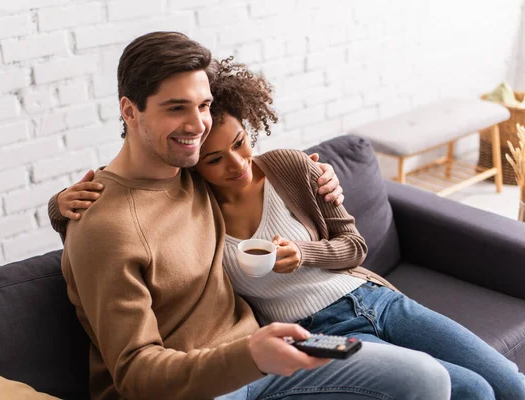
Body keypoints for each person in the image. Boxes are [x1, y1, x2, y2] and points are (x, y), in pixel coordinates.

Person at [49, 31, 453, 400]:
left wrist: (318, 175)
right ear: (130, 111)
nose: (197, 125)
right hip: (196, 387)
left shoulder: (192, 174)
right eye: (176, 108)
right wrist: (250, 356)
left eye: (203, 105)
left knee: (427, 379)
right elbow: (135, 374)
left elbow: (252, 170)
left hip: (259, 356)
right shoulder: (102, 225)